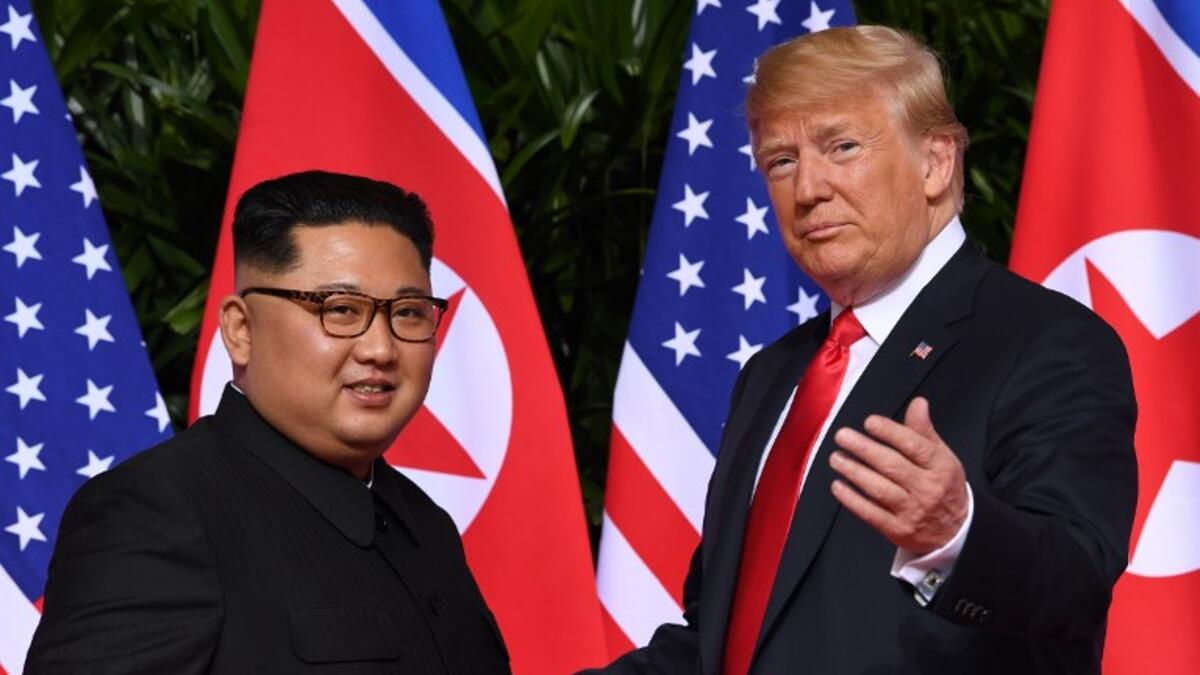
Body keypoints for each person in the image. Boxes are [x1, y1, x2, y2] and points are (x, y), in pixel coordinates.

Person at [592, 26, 1137, 675]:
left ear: (936, 162)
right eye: (781, 161)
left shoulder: (1047, 341)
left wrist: (956, 535)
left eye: (841, 146)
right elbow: (725, 639)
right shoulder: (773, 374)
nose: (808, 189)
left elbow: (1075, 582)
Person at [26, 170, 511, 673]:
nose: (381, 349)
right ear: (240, 330)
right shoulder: (158, 512)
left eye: (409, 312)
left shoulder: (425, 522)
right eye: (340, 309)